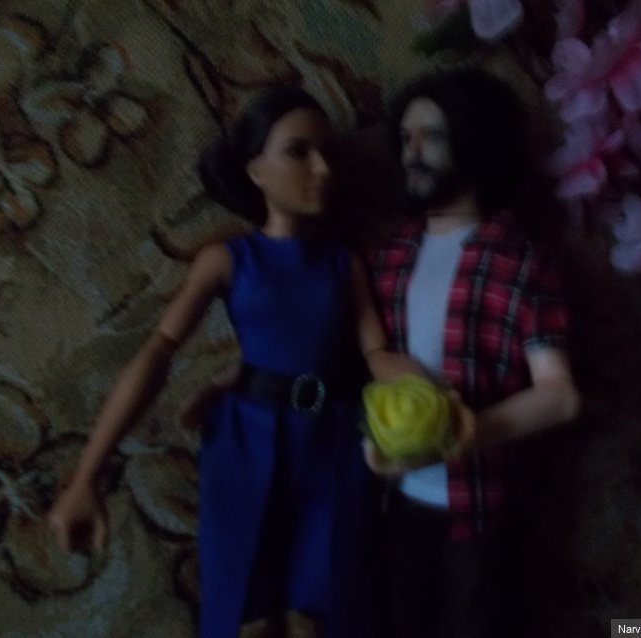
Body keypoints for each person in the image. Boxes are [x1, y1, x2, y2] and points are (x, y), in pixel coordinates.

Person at [47, 86, 422, 638]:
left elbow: (375, 353)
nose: (322, 168)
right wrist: (87, 475)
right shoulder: (228, 260)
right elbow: (157, 352)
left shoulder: (345, 264)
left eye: (327, 154)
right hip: (247, 443)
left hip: (335, 444)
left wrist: (429, 390)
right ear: (255, 170)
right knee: (244, 602)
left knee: (336, 601)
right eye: (298, 151)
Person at [363, 68, 582, 638]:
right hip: (397, 498)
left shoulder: (518, 260)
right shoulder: (389, 258)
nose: (412, 151)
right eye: (405, 137)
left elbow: (559, 395)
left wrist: (469, 432)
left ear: (475, 142)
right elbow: (365, 359)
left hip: (482, 505)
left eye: (431, 136)